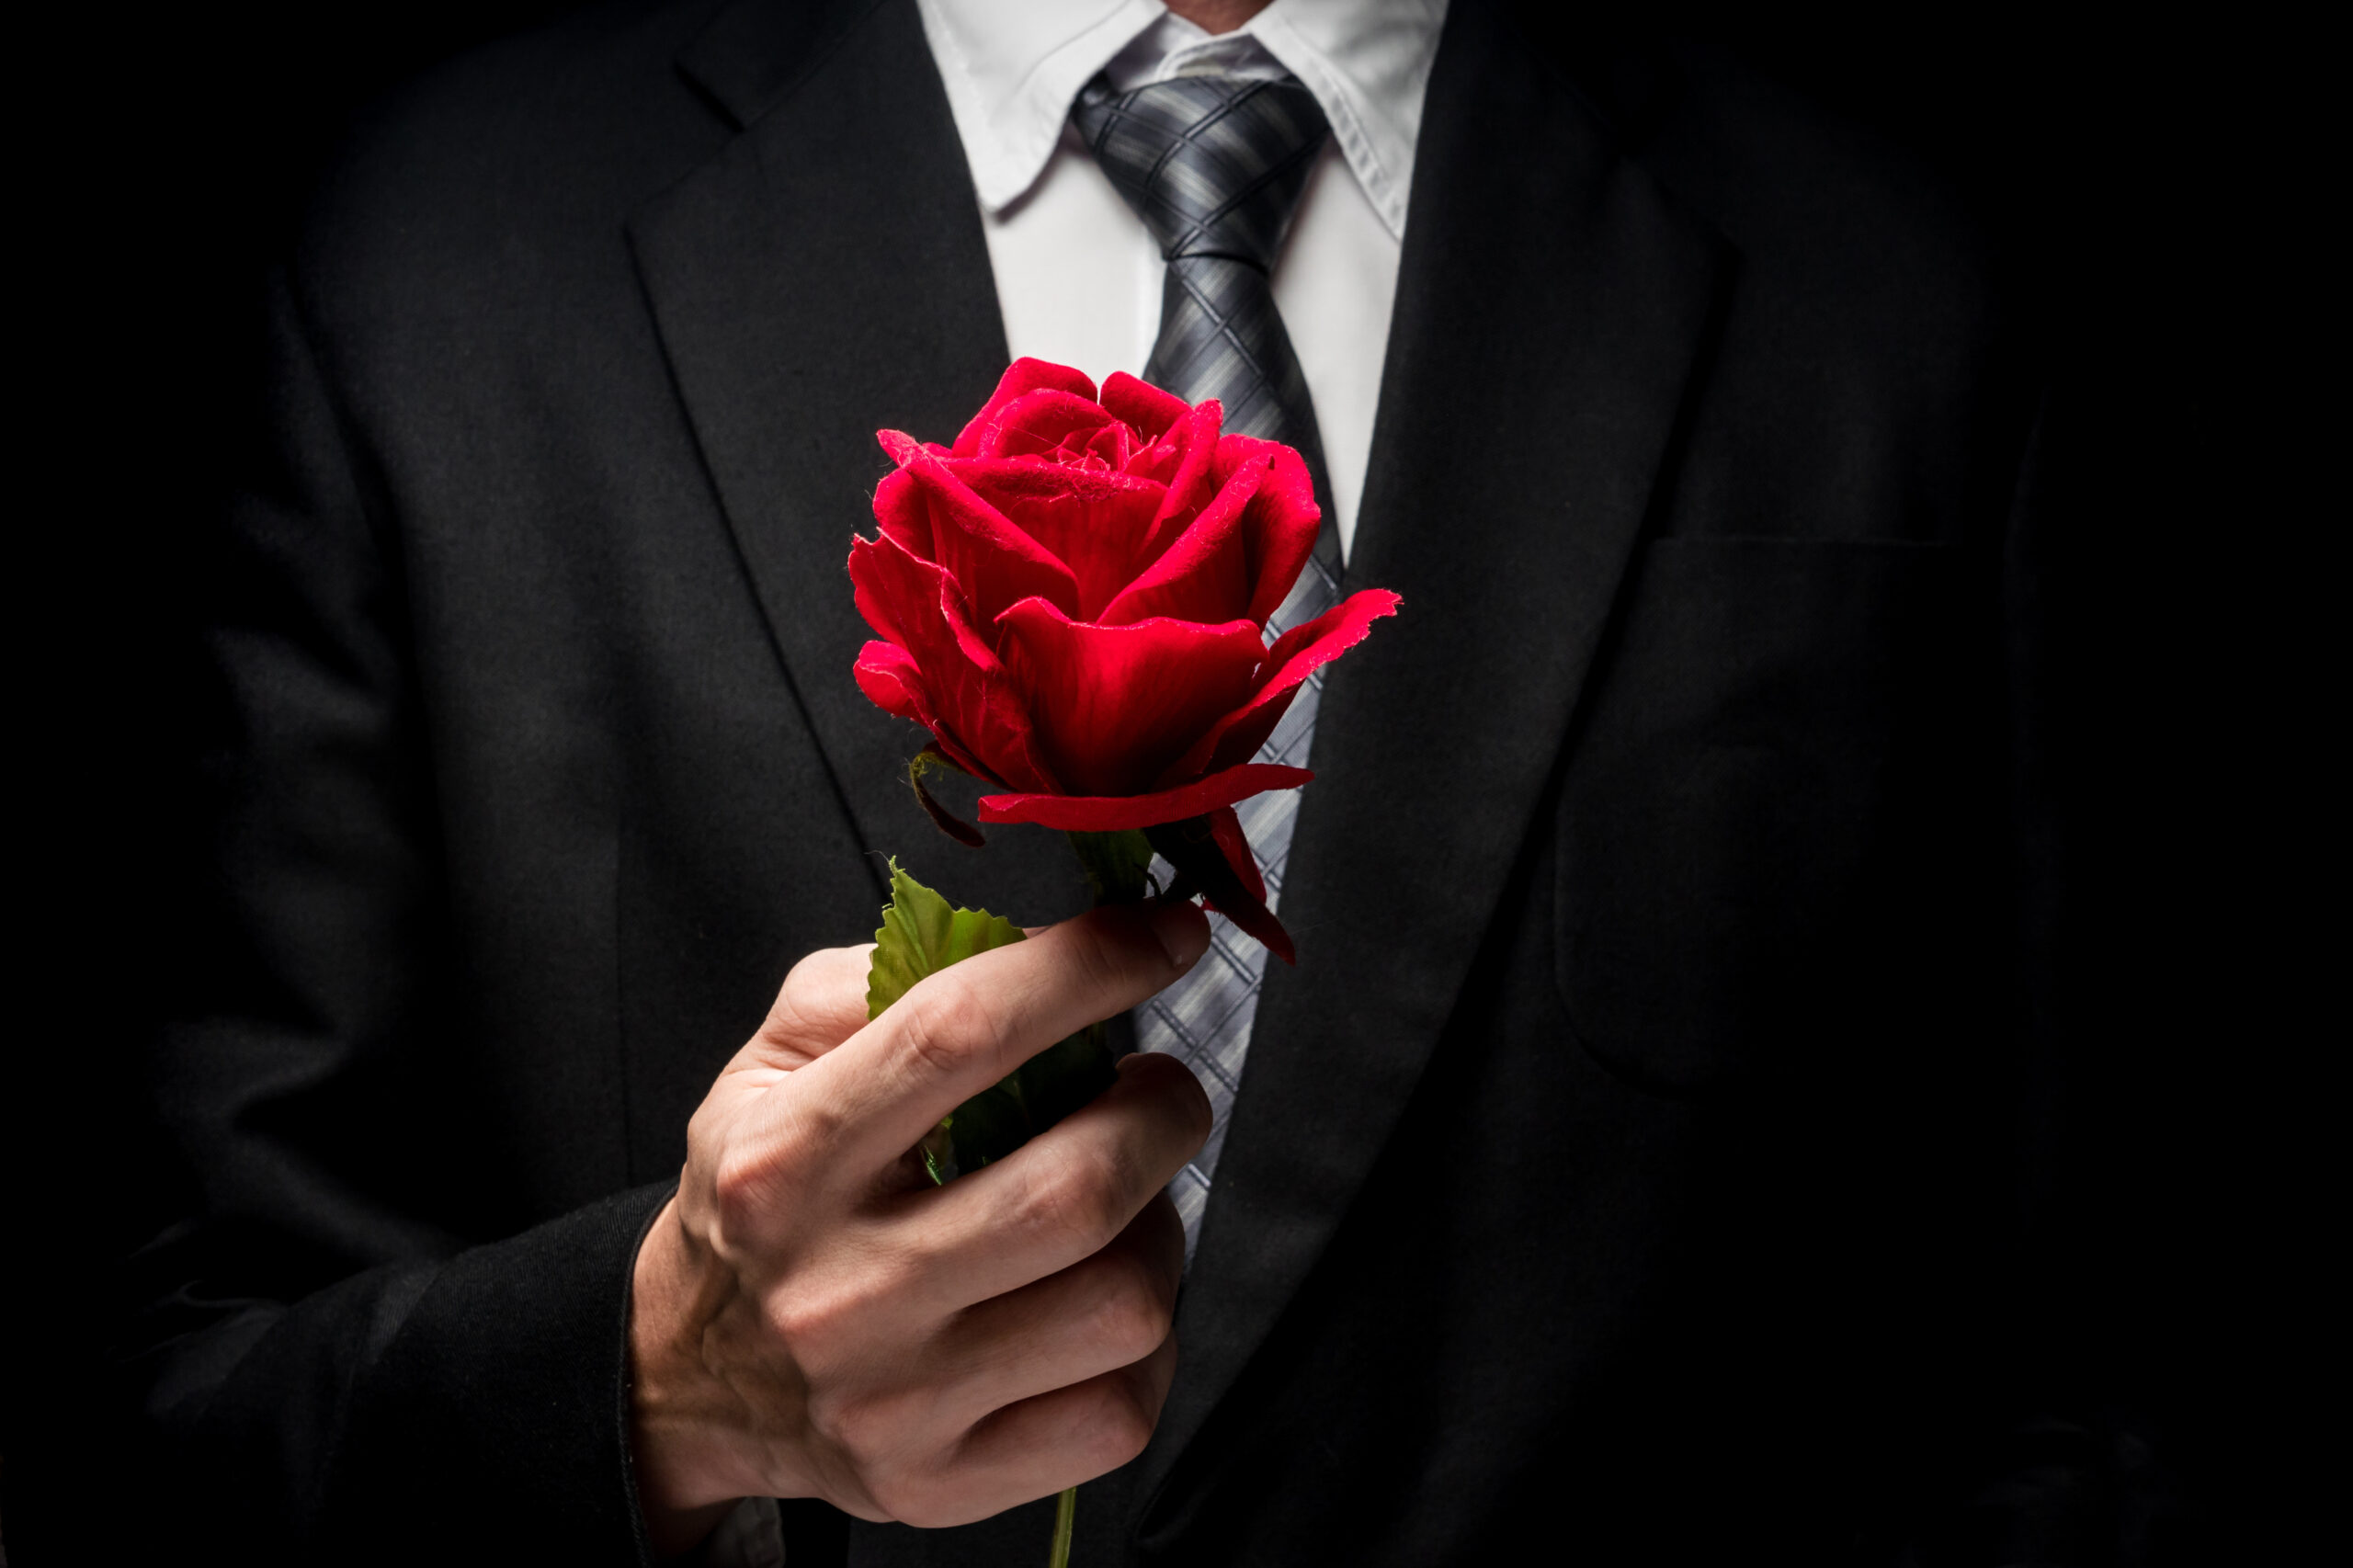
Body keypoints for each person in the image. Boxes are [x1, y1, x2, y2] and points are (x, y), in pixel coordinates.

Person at [121, 0, 2124, 1562]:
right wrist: (658, 1388)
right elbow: (160, 1431)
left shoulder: (1885, 280)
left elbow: (2077, 1379)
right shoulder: (438, 256)